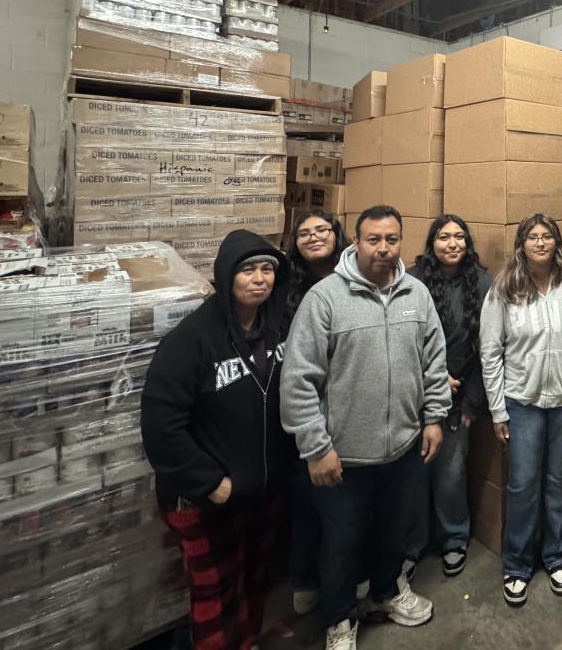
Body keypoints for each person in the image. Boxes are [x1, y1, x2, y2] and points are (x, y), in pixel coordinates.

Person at [280, 205, 451, 650]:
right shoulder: (325, 299)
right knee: (341, 544)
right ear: (355, 242)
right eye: (373, 239)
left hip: (403, 447)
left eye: (391, 239)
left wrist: (434, 417)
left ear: (401, 242)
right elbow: (298, 380)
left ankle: (386, 593)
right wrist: (316, 448)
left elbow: (434, 362)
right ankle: (339, 620)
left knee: (393, 532)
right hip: (344, 456)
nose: (382, 248)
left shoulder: (416, 294)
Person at [140, 229, 294, 650]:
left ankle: (248, 642)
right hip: (208, 499)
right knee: (217, 595)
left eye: (267, 269)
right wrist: (210, 483)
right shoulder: (192, 339)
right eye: (247, 270)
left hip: (264, 491)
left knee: (255, 578)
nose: (259, 279)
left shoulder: (281, 328)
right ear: (226, 275)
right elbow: (161, 426)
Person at [479, 214, 562, 608]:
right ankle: (517, 564)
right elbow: (490, 353)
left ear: (557, 241)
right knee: (523, 483)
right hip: (522, 403)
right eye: (532, 236)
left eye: (546, 236)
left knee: (557, 480)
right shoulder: (505, 287)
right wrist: (498, 410)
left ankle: (557, 555)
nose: (540, 242)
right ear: (521, 243)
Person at [405, 214, 492, 579]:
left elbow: (489, 348)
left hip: (459, 401)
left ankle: (454, 538)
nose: (452, 243)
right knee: (413, 476)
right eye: (444, 237)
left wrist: (472, 399)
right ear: (432, 243)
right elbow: (401, 339)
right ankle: (411, 544)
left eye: (459, 237)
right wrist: (435, 376)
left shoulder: (482, 282)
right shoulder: (412, 280)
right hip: (414, 396)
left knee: (451, 473)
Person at [283, 210, 348, 616]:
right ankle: (305, 578)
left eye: (322, 229)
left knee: (346, 505)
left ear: (337, 234)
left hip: (348, 406)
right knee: (306, 500)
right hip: (305, 407)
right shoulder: (286, 286)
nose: (314, 237)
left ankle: (345, 575)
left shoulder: (354, 278)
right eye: (304, 232)